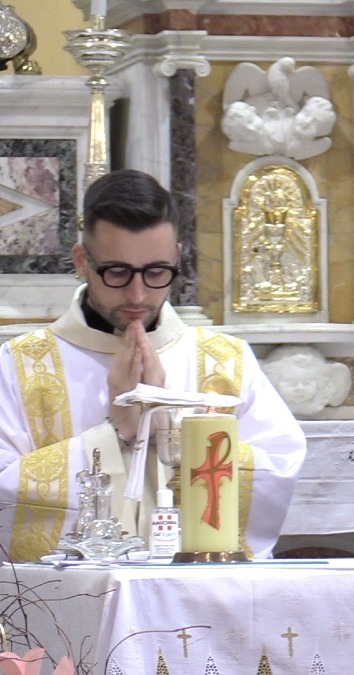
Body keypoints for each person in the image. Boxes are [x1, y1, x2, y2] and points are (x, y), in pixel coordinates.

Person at [0, 169, 306, 561]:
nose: (138, 293)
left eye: (157, 272)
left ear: (177, 257)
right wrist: (116, 432)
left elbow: (277, 469)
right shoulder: (22, 365)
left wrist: (170, 432)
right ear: (81, 260)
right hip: (71, 603)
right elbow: (5, 495)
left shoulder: (225, 361)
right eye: (117, 272)